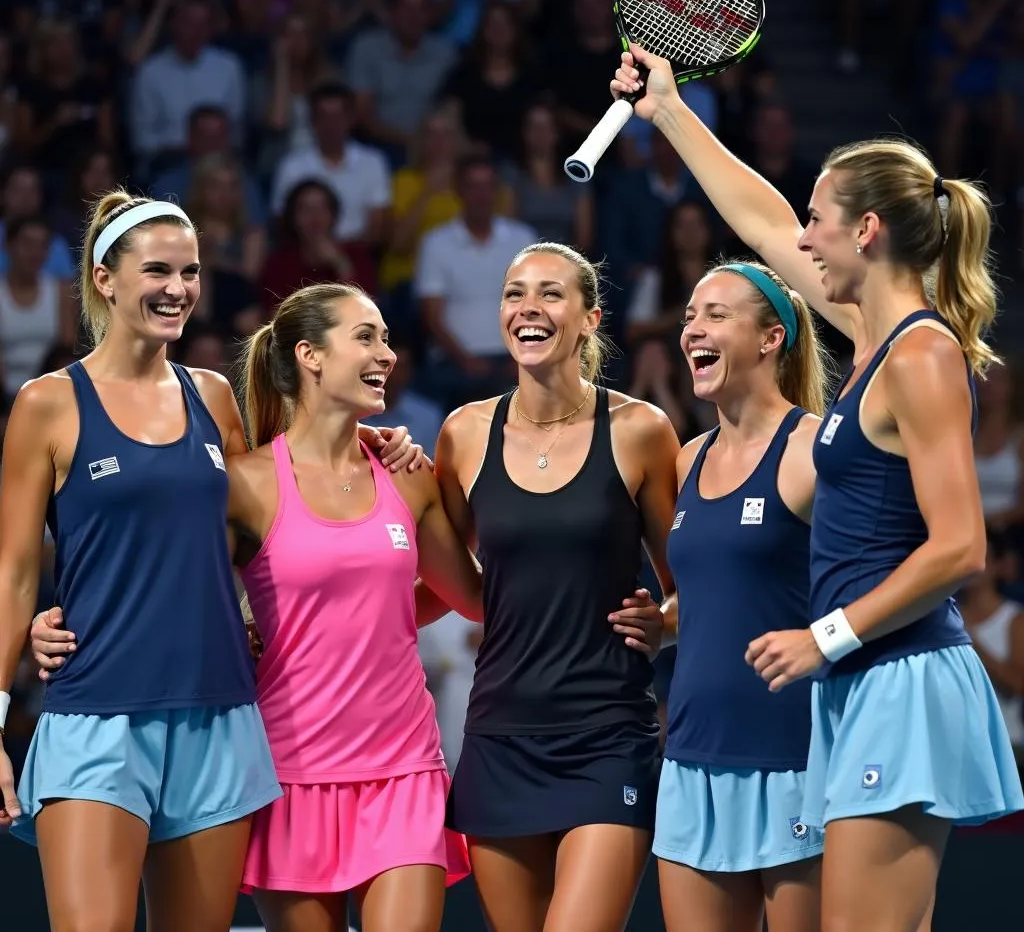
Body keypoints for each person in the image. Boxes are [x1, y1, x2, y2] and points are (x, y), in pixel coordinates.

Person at [611, 45, 1024, 931]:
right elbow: (760, 227)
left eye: (818, 220)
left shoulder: (920, 352)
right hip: (867, 676)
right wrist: (673, 113)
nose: (801, 239)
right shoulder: (874, 344)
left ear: (866, 229)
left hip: (899, 674)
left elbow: (960, 547)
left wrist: (821, 637)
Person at [0, 191, 419, 932]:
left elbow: (279, 516)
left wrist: (370, 443)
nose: (178, 289)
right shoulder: (46, 404)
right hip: (98, 713)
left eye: (189, 271)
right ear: (104, 278)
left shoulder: (215, 397)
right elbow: (14, 572)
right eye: (157, 270)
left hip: (221, 717)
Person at [437, 241, 677, 932]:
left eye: (549, 293)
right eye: (515, 293)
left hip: (608, 734)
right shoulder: (464, 432)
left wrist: (666, 621)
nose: (528, 307)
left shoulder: (640, 431)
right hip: (500, 735)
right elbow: (450, 582)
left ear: (589, 319)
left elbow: (691, 582)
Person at [229, 282, 483, 932]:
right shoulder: (247, 482)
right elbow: (178, 596)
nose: (387, 354)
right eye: (366, 337)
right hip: (290, 772)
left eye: (388, 339)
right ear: (310, 355)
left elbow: (472, 599)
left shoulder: (408, 474)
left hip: (405, 769)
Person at [656, 260, 829, 932]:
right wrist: (662, 622)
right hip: (693, 754)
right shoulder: (687, 457)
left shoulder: (814, 448)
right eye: (689, 318)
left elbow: (883, 581)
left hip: (795, 754)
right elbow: (717, 594)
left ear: (769, 339)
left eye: (715, 315)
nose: (693, 329)